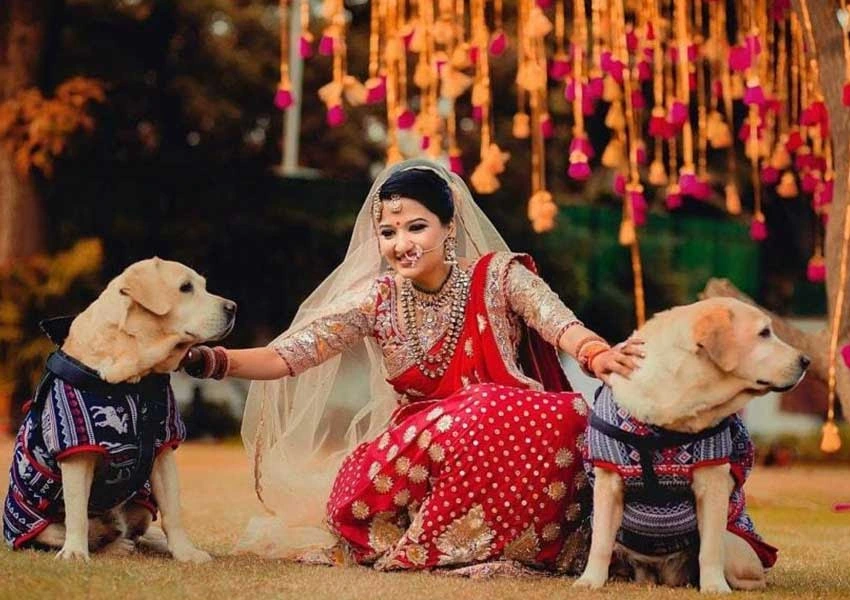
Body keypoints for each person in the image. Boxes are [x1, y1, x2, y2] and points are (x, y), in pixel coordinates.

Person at [182, 159, 643, 574]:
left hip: (511, 443)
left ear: (448, 226)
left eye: (416, 228)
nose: (401, 244)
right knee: (439, 433)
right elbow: (291, 354)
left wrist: (595, 353)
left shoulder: (499, 277)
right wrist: (212, 360)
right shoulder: (377, 299)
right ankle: (449, 537)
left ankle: (508, 540)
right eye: (388, 233)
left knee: (568, 415)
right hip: (423, 453)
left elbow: (558, 323)